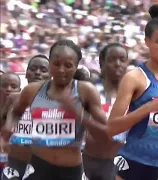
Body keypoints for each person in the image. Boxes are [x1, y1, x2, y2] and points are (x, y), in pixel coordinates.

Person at [1, 39, 109, 180]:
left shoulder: (85, 91)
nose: (61, 70)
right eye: (56, 64)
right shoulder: (32, 90)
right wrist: (6, 133)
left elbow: (105, 133)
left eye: (68, 65)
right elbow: (16, 112)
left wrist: (78, 113)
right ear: (50, 63)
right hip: (38, 167)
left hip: (71, 171)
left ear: (76, 66)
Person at [107, 4, 158, 180]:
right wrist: (149, 107)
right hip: (133, 163)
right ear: (147, 41)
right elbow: (111, 127)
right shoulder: (135, 78)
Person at [82, 43, 131, 180]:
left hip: (120, 163)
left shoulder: (135, 96)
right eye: (112, 59)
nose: (117, 64)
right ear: (101, 64)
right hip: (88, 162)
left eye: (122, 60)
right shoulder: (88, 91)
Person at [1, 55, 50, 180]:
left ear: (50, 76)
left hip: (42, 164)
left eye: (43, 70)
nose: (37, 73)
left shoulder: (57, 101)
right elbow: (2, 125)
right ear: (26, 74)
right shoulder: (13, 98)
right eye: (33, 69)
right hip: (15, 163)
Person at [0, 72, 21, 177]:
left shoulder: (25, 114)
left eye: (13, 86)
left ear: (19, 91)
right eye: (4, 86)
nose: (8, 89)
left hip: (15, 168)